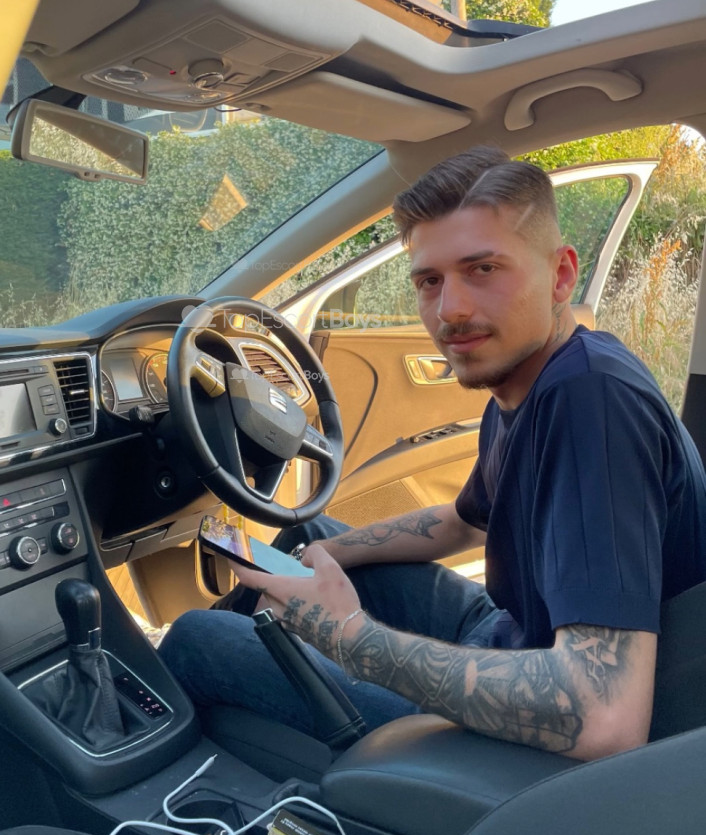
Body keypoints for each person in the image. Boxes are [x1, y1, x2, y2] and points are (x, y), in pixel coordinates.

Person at [159, 147, 706, 760]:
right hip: (510, 634)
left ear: (560, 275)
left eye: (483, 270)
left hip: (536, 738)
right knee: (306, 536)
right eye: (430, 281)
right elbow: (462, 521)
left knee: (197, 639)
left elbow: (603, 717)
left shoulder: (589, 400)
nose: (451, 311)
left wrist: (350, 638)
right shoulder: (534, 380)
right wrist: (325, 554)